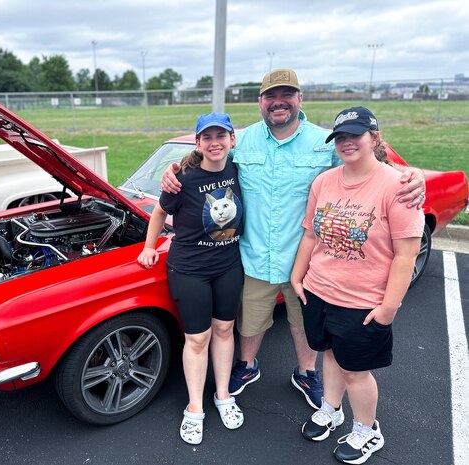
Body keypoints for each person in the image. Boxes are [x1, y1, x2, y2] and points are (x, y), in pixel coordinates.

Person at [161, 69, 426, 410]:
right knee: (250, 320)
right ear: (260, 102)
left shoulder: (325, 141)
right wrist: (174, 170)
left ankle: (306, 372)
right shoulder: (243, 141)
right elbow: (208, 158)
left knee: (304, 325)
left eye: (287, 95)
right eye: (270, 96)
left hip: (310, 260)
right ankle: (247, 366)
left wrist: (412, 175)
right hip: (253, 255)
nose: (278, 102)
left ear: (300, 99)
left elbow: (369, 165)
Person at [291, 106, 423, 464]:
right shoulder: (324, 182)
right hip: (320, 290)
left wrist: (388, 307)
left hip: (363, 301)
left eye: (356, 135)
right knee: (331, 354)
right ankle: (331, 409)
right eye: (341, 138)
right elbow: (309, 234)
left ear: (374, 138)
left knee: (355, 370)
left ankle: (367, 429)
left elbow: (405, 254)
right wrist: (297, 276)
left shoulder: (397, 187)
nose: (347, 143)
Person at [138, 112, 245, 445]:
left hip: (229, 265)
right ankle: (194, 406)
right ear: (198, 143)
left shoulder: (240, 170)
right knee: (198, 339)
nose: (215, 143)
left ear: (231, 140)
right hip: (190, 269)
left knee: (225, 330)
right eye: (207, 138)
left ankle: (224, 395)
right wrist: (148, 247)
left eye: (221, 136)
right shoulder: (182, 177)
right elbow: (160, 211)